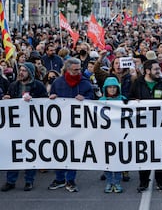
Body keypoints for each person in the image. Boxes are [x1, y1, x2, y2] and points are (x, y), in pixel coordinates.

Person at [47, 57, 94, 193]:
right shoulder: (58, 82)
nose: (79, 72)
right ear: (68, 69)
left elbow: (92, 98)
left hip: (77, 125)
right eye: (75, 70)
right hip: (60, 124)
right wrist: (52, 98)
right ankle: (60, 178)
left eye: (79, 69)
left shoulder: (85, 83)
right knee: (59, 151)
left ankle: (70, 179)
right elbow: (51, 96)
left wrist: (86, 99)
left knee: (74, 151)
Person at [0, 62, 48, 192]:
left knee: (30, 153)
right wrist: (6, 99)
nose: (21, 72)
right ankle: (10, 181)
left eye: (24, 70)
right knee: (14, 153)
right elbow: (10, 100)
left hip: (32, 126)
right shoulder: (14, 85)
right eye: (20, 70)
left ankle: (29, 181)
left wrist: (33, 100)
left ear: (30, 72)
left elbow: (45, 102)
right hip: (16, 126)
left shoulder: (38, 86)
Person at [129, 59, 162, 193]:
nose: (158, 71)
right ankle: (143, 182)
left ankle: (161, 183)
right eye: (155, 69)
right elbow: (129, 98)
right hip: (143, 126)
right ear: (147, 71)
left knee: (160, 154)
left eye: (159, 69)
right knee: (144, 155)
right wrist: (133, 101)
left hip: (161, 126)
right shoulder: (138, 83)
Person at [100, 77, 126, 193]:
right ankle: (110, 181)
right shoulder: (100, 101)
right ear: (105, 89)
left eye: (114, 87)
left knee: (118, 160)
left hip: (120, 135)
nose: (112, 89)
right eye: (109, 87)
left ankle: (117, 181)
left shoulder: (124, 100)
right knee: (107, 161)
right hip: (105, 135)